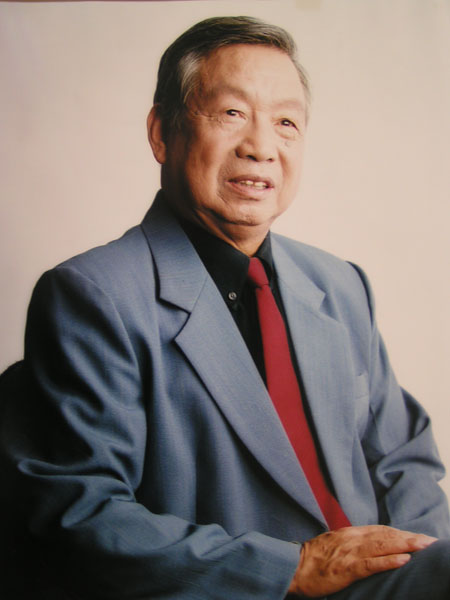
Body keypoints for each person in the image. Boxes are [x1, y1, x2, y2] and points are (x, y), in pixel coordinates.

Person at [1, 15, 449, 600]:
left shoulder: (340, 284)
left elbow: (403, 456)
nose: (261, 147)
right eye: (232, 113)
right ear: (162, 133)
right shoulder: (93, 295)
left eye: (286, 122)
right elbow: (82, 512)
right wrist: (292, 569)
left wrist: (421, 561)